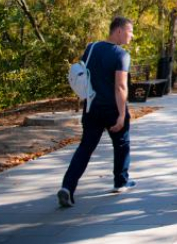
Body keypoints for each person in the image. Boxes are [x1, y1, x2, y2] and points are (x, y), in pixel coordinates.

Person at [57, 16, 135, 207]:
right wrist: (121, 115)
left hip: (91, 108)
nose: (131, 36)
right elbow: (120, 87)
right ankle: (120, 181)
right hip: (112, 109)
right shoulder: (121, 55)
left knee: (85, 148)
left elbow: (84, 75)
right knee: (122, 144)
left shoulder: (91, 48)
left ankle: (68, 187)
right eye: (130, 31)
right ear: (118, 31)